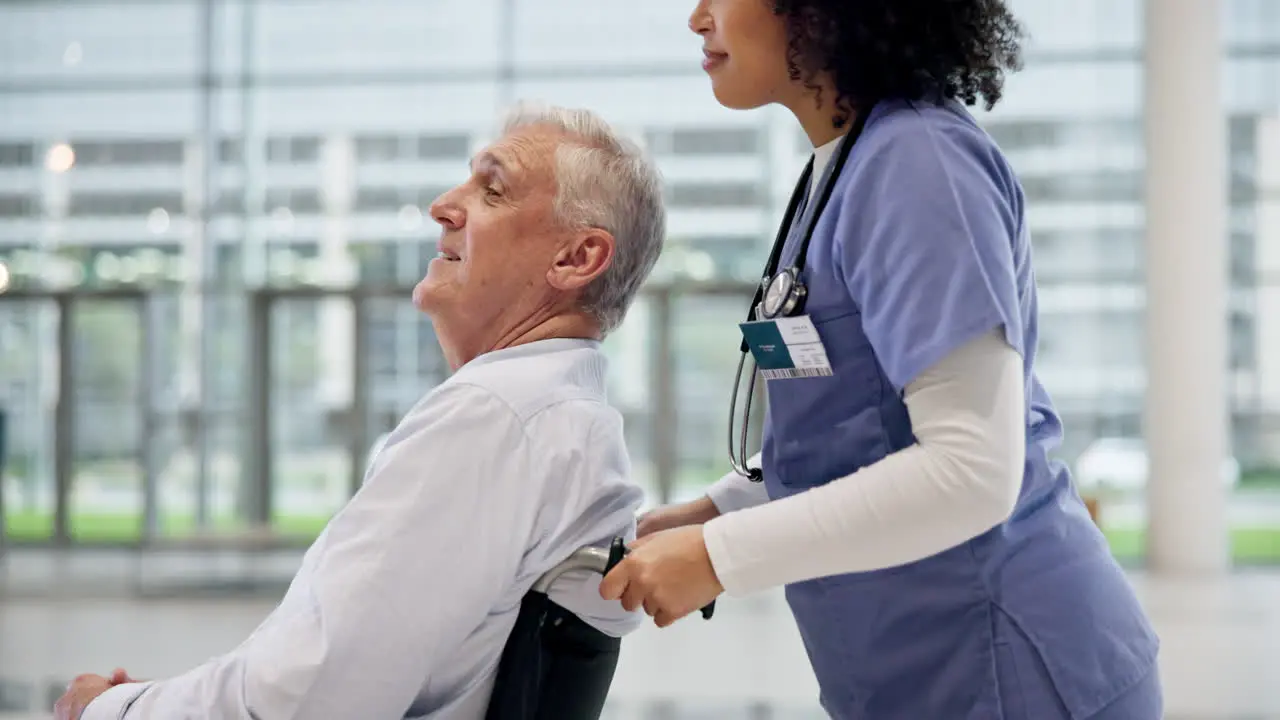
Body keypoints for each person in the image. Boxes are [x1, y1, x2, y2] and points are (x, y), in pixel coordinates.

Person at [599, 1, 1163, 718]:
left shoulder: (919, 163)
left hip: (1007, 663)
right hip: (916, 663)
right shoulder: (844, 166)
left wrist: (719, 556)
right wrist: (719, 508)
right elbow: (863, 423)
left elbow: (970, 471)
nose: (698, 17)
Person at [57, 101, 668, 720]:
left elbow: (310, 697)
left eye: (492, 189)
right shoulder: (563, 420)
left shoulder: (497, 419)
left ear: (575, 259)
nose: (444, 205)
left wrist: (115, 710)